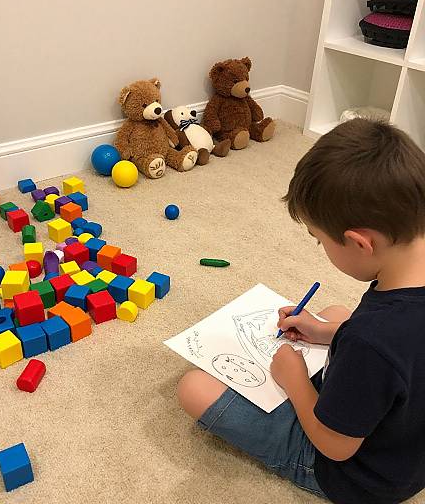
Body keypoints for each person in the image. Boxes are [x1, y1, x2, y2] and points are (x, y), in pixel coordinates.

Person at [177, 119, 425, 503]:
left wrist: (295, 381)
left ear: (360, 243)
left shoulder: (372, 340)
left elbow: (336, 446)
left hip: (358, 476)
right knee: (338, 313)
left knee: (194, 387)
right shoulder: (403, 287)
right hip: (407, 443)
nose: (320, 248)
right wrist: (329, 333)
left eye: (319, 239)